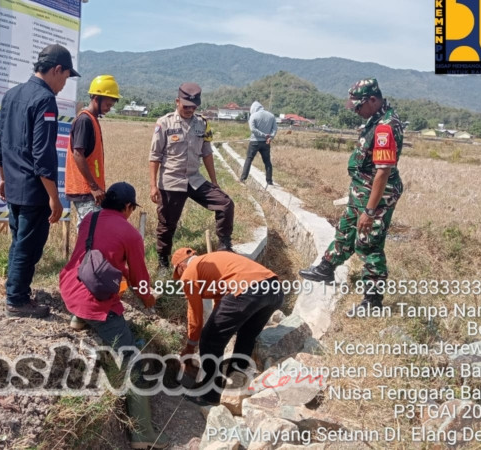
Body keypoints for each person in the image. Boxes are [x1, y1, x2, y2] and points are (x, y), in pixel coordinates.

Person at [59, 182, 170, 449]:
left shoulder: (90, 219)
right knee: (132, 360)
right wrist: (149, 300)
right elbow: (139, 277)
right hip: (95, 303)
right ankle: (143, 434)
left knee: (91, 301)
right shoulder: (130, 233)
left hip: (69, 288)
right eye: (132, 208)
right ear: (128, 206)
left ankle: (78, 317)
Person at [298, 78, 404, 315]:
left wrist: (369, 211)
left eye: (359, 106)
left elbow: (383, 171)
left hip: (377, 196)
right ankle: (326, 267)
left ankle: (373, 300)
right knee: (346, 228)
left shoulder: (385, 127)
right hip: (361, 190)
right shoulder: (374, 119)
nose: (356, 111)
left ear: (373, 100)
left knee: (369, 243)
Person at [0, 44, 80, 318]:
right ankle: (17, 299)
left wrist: (3, 179)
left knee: (19, 241)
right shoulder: (45, 100)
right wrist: (54, 198)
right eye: (65, 77)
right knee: (28, 245)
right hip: (34, 190)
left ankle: (16, 290)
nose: (63, 84)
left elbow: (0, 144)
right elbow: (42, 154)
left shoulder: (11, 96)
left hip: (14, 185)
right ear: (57, 70)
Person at [171, 247, 283, 406]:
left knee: (209, 340)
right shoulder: (214, 261)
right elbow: (221, 303)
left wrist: (191, 346)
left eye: (179, 273)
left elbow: (194, 312)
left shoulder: (190, 273)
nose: (181, 277)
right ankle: (235, 389)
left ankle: (210, 395)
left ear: (181, 266)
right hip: (274, 289)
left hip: (249, 290)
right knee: (246, 336)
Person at [149, 83, 235, 270]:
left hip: (194, 179)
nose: (189, 110)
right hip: (172, 181)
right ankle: (163, 262)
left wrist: (214, 182)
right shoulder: (164, 123)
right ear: (177, 101)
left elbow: (207, 153)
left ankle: (225, 246)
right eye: (185, 106)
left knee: (225, 204)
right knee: (167, 224)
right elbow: (154, 156)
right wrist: (153, 185)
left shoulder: (202, 123)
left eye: (193, 107)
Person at [65, 75, 121, 224]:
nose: (109, 109)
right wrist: (93, 187)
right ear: (96, 98)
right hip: (86, 190)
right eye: (107, 105)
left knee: (90, 231)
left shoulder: (91, 119)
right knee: (89, 233)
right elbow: (78, 154)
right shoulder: (85, 120)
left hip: (91, 191)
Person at [240, 101, 278, 185]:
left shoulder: (253, 116)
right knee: (267, 161)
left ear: (253, 108)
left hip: (254, 141)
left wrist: (263, 135)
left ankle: (243, 178)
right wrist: (270, 137)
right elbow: (275, 128)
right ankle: (269, 181)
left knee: (249, 159)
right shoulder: (271, 116)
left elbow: (253, 129)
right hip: (266, 142)